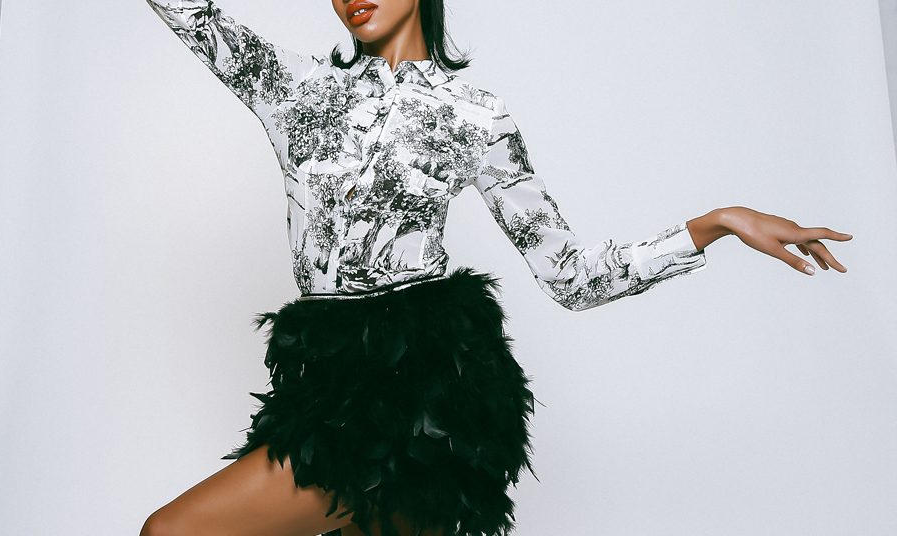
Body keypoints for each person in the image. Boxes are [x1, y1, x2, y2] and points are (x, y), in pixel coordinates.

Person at [138, 1, 852, 535]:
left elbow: (571, 275)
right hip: (329, 388)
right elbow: (188, 11)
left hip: (425, 399)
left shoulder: (474, 116)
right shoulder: (293, 90)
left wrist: (713, 225)